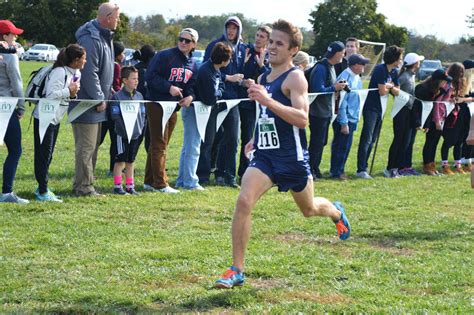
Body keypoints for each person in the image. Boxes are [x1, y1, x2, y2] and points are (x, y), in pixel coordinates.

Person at [214, 20, 351, 289]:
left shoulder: (295, 77)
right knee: (244, 201)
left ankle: (336, 213)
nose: (272, 47)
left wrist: (267, 100)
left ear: (293, 50)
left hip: (292, 158)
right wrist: (255, 137)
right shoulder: (265, 77)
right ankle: (236, 269)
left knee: (309, 210)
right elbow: (267, 115)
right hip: (265, 156)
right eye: (271, 42)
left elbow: (302, 119)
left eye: (279, 43)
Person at [69, 2, 119, 197]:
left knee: (91, 147)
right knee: (86, 147)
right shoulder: (91, 39)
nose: (118, 21)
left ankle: (85, 184)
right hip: (87, 104)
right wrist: (99, 98)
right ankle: (83, 187)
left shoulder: (104, 37)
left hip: (97, 103)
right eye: (116, 17)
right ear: (107, 18)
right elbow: (89, 72)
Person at [144, 28, 198, 193]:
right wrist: (169, 87)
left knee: (160, 144)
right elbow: (150, 76)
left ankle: (149, 180)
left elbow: (192, 86)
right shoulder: (165, 55)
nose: (182, 42)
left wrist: (190, 97)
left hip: (173, 107)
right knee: (159, 144)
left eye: (187, 40)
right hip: (157, 104)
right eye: (180, 39)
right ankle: (160, 184)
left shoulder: (193, 63)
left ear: (194, 44)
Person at [33, 44, 86, 202]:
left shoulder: (76, 72)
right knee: (43, 155)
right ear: (75, 60)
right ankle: (42, 192)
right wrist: (69, 91)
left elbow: (67, 96)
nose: (85, 61)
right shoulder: (59, 71)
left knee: (48, 155)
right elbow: (50, 95)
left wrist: (73, 94)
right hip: (44, 117)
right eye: (84, 59)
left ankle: (42, 187)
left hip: (56, 118)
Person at [179, 42, 232, 190]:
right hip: (193, 110)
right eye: (229, 58)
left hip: (199, 110)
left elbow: (220, 86)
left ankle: (182, 180)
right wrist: (218, 93)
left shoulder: (215, 70)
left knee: (190, 146)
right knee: (193, 146)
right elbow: (210, 98)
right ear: (223, 60)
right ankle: (190, 182)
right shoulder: (206, 71)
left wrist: (218, 93)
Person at [203, 16, 246, 187]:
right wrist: (229, 77)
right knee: (210, 139)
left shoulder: (242, 49)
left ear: (239, 30)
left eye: (234, 28)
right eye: (229, 27)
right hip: (216, 98)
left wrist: (243, 81)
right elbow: (206, 69)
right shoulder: (215, 45)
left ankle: (229, 176)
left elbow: (240, 74)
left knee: (233, 139)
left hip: (234, 100)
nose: (231, 30)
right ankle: (203, 176)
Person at [356, 45, 403, 179]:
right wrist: (390, 88)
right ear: (393, 59)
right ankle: (361, 169)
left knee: (373, 140)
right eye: (399, 58)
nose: (401, 61)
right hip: (371, 108)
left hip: (381, 109)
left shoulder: (393, 72)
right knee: (367, 138)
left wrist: (390, 86)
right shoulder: (380, 69)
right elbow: (382, 91)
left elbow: (398, 91)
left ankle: (364, 167)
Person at [308, 41, 347, 179]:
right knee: (316, 143)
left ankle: (315, 168)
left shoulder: (330, 66)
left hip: (325, 111)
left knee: (322, 142)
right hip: (318, 112)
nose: (344, 55)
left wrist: (337, 87)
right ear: (336, 54)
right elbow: (317, 90)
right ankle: (310, 170)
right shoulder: (321, 68)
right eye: (342, 53)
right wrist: (334, 88)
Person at [238, 25, 271, 181]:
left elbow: (270, 79)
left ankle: (245, 171)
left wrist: (262, 65)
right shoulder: (246, 51)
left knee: (249, 139)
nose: (258, 38)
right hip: (239, 100)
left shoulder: (271, 56)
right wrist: (244, 75)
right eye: (257, 35)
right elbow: (237, 73)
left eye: (262, 36)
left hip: (256, 105)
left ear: (268, 40)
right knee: (231, 138)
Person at [0, 20, 28, 204]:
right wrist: (22, 106)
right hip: (6, 106)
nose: (16, 37)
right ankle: (7, 192)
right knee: (15, 150)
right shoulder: (10, 56)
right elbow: (17, 84)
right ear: (4, 36)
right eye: (13, 34)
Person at [330, 54, 369, 180]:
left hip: (352, 117)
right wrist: (343, 122)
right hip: (345, 118)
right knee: (341, 146)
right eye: (362, 63)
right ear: (355, 65)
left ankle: (339, 169)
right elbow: (340, 101)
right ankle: (337, 172)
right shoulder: (345, 77)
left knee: (345, 146)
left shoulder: (356, 76)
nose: (364, 66)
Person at [386, 52, 424, 177]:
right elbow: (393, 90)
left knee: (405, 141)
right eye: (418, 61)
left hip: (408, 111)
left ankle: (400, 167)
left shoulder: (412, 75)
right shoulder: (404, 77)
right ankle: (391, 167)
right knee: (399, 140)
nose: (420, 63)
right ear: (414, 64)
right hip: (401, 111)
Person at [110, 66, 145, 195]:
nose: (136, 81)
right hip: (122, 134)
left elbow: (142, 114)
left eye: (137, 78)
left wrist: (139, 129)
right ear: (124, 80)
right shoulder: (117, 97)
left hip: (135, 135)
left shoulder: (140, 96)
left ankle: (130, 186)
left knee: (130, 161)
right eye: (133, 78)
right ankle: (117, 186)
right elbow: (115, 116)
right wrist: (125, 129)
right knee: (120, 161)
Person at [417, 69, 453, 176]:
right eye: (444, 81)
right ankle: (427, 165)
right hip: (433, 119)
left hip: (440, 119)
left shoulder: (439, 89)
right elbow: (433, 106)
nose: (446, 83)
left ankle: (432, 164)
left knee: (435, 143)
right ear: (438, 81)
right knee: (430, 143)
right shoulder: (428, 89)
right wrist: (434, 122)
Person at [99, 40, 125, 176]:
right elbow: (115, 86)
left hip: (104, 106)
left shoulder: (107, 63)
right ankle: (112, 169)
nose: (124, 56)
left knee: (99, 139)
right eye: (123, 53)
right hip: (113, 107)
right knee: (115, 139)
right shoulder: (116, 66)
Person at [439, 63, 467, 174]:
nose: (461, 74)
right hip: (449, 115)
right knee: (449, 140)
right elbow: (441, 98)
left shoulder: (462, 82)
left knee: (459, 140)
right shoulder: (448, 82)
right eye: (459, 71)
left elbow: (462, 97)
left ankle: (457, 164)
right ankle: (444, 165)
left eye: (462, 71)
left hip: (460, 114)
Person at [133, 45, 155, 153]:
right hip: (149, 104)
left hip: (137, 103)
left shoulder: (136, 68)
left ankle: (129, 161)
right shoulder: (153, 68)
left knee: (137, 135)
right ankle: (152, 163)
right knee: (149, 136)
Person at [460, 59, 474, 172]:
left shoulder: (472, 81)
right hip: (464, 111)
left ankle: (469, 159)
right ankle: (464, 159)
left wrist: (465, 99)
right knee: (465, 135)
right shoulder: (462, 81)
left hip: (471, 109)